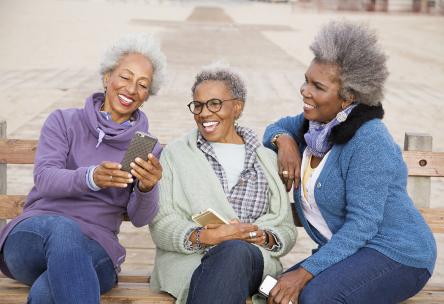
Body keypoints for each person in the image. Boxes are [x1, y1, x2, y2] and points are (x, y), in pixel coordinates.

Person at [263, 21, 436, 304]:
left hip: (398, 253)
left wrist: (307, 270)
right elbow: (275, 127)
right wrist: (284, 141)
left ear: (348, 97)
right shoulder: (313, 124)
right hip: (353, 251)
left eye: (317, 86)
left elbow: (363, 225)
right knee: (269, 290)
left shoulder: (369, 140)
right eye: (306, 80)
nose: (304, 91)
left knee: (315, 297)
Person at [0, 33, 166, 303]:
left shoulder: (144, 146)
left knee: (47, 292)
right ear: (107, 77)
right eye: (125, 77)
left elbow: (140, 218)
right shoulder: (64, 122)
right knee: (64, 229)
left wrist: (147, 187)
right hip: (35, 235)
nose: (131, 89)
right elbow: (45, 178)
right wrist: (91, 177)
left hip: (97, 249)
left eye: (142, 85)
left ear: (147, 96)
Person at [148, 63, 297, 304]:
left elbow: (286, 230)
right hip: (191, 263)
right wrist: (208, 237)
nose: (204, 113)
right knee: (229, 254)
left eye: (215, 104)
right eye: (198, 105)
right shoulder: (176, 155)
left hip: (251, 262)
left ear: (237, 107)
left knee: (235, 252)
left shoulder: (266, 160)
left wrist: (262, 237)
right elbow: (161, 222)